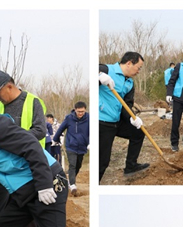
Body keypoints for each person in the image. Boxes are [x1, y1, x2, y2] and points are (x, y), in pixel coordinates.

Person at [0, 70, 47, 227]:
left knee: (29, 205)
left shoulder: (32, 101)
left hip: (30, 162)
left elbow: (40, 130)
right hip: (7, 164)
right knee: (9, 205)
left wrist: (15, 139)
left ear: (9, 86)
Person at [99, 51, 150, 180]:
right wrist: (98, 76)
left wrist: (132, 118)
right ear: (129, 63)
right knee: (103, 161)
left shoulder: (130, 83)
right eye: (138, 67)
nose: (139, 71)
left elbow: (126, 105)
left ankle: (130, 166)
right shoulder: (106, 69)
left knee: (138, 132)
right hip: (102, 122)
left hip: (117, 121)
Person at [53, 101, 89, 197]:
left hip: (83, 146)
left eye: (82, 111)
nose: (80, 113)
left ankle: (70, 181)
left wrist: (90, 143)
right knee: (72, 164)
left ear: (85, 110)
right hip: (71, 146)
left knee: (78, 165)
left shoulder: (89, 118)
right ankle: (72, 185)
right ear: (75, 110)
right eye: (79, 111)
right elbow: (61, 129)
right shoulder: (69, 118)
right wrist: (55, 139)